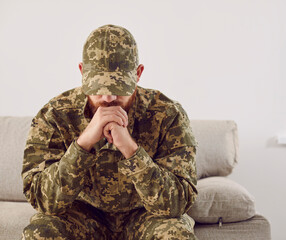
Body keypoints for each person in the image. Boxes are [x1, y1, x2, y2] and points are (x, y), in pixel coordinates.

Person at [21, 24, 198, 240]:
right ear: (82, 72)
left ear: (138, 74)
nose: (108, 99)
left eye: (118, 88)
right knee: (40, 234)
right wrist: (82, 145)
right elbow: (42, 200)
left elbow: (178, 203)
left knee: (176, 234)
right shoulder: (55, 115)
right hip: (82, 214)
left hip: (146, 215)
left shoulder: (168, 114)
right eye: (98, 87)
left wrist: (132, 151)